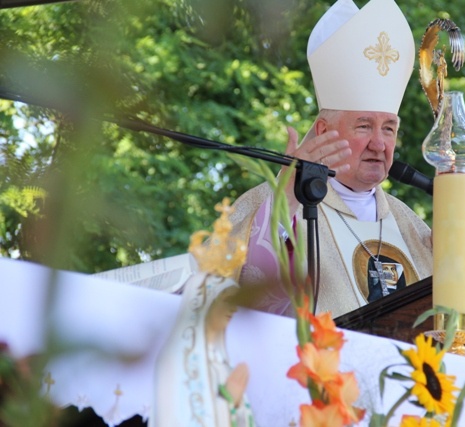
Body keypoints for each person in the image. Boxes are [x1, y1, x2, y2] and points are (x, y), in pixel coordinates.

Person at [229, 0, 433, 319]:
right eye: (364, 126)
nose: (379, 143)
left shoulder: (411, 225)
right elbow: (240, 296)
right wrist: (285, 202)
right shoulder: (272, 202)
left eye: (389, 128)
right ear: (324, 131)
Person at [151, 272, 254, 427]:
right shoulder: (175, 358)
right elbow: (172, 421)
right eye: (227, 300)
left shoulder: (222, 363)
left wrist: (237, 405)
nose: (234, 310)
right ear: (204, 301)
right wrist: (228, 400)